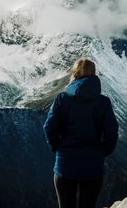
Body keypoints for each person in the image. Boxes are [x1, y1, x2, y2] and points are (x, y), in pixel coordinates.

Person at [43, 58, 119, 208]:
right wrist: (103, 152)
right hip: (93, 166)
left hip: (65, 165)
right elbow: (112, 131)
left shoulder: (62, 99)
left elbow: (49, 127)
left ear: (74, 74)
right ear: (94, 74)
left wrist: (57, 148)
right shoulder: (103, 102)